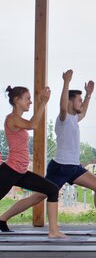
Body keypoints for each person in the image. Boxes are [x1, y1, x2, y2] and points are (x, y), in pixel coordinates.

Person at [43, 70, 96, 232]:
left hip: (73, 167)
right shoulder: (63, 118)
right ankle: (3, 218)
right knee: (39, 196)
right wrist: (66, 82)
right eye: (79, 100)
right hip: (60, 167)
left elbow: (83, 112)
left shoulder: (74, 119)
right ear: (70, 103)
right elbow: (62, 106)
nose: (81, 103)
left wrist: (88, 94)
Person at [0, 85, 66, 238]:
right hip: (9, 172)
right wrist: (43, 102)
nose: (30, 102)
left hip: (20, 172)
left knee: (52, 189)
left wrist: (42, 102)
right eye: (28, 99)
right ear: (17, 100)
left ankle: (54, 230)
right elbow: (33, 124)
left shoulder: (18, 119)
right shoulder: (12, 119)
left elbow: (31, 123)